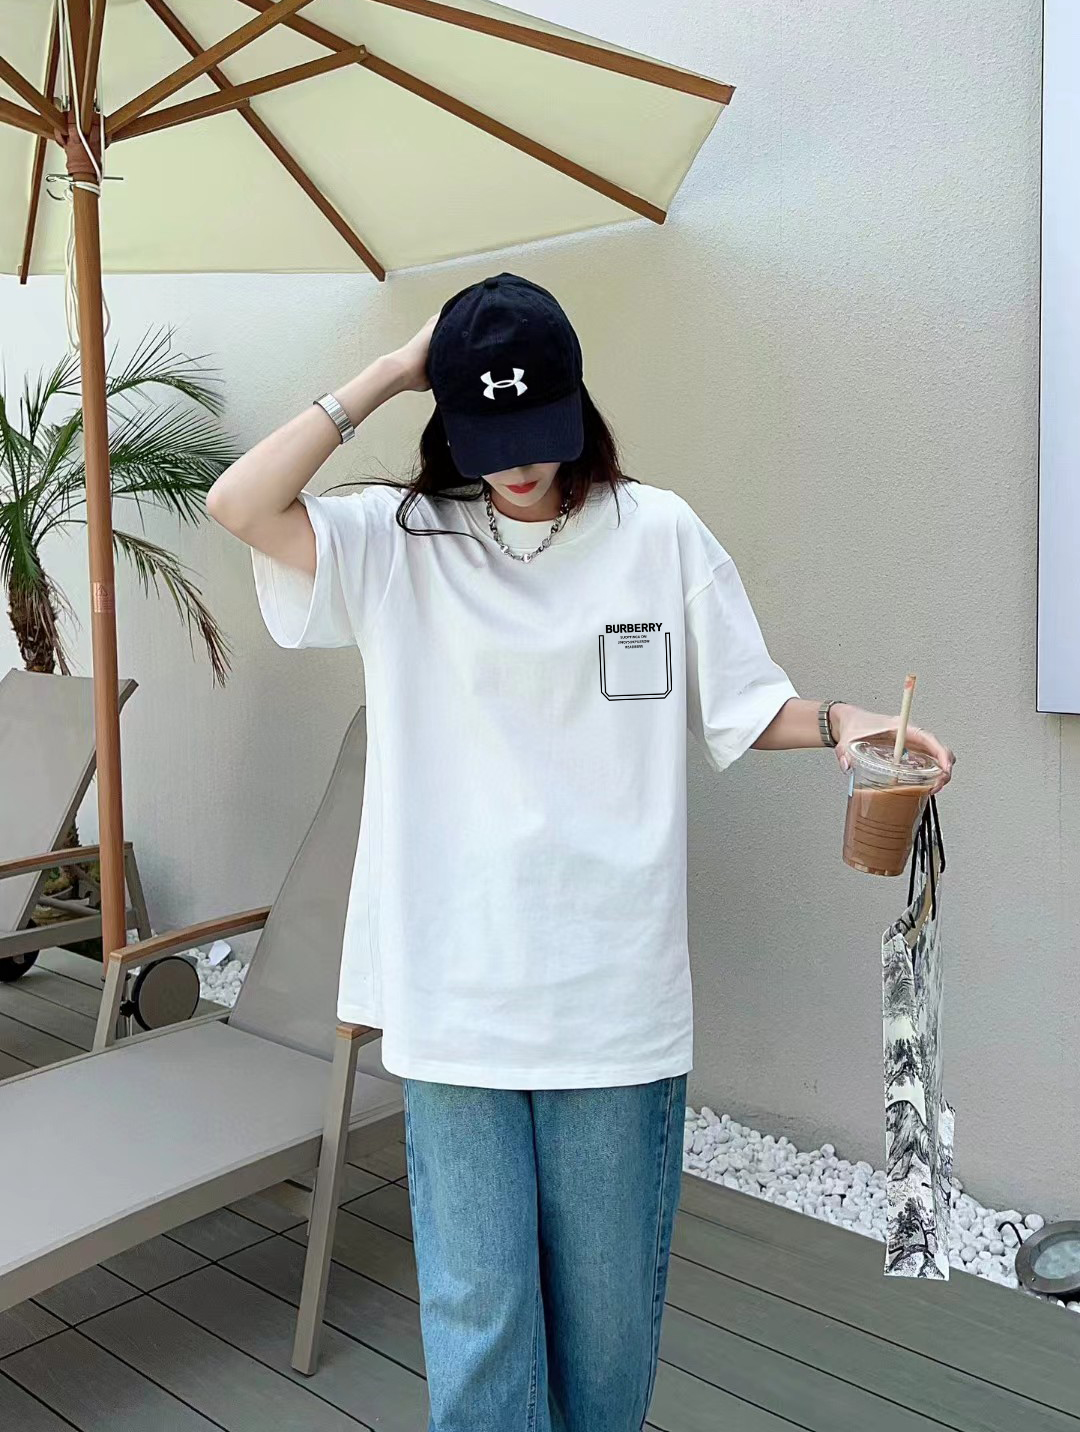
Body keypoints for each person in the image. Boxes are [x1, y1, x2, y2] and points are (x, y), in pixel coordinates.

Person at [206, 271, 954, 1432]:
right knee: (482, 1325)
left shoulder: (658, 532)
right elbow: (240, 502)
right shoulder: (399, 540)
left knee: (605, 1339)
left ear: (578, 406)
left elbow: (745, 705)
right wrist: (395, 370)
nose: (517, 464)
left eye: (538, 431)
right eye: (487, 434)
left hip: (614, 999)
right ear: (450, 422)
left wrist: (845, 723)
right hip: (455, 998)